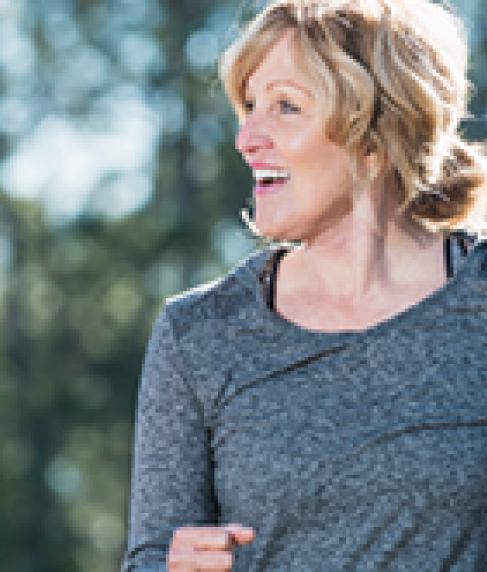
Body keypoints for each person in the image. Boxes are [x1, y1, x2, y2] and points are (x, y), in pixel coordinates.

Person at [123, 0, 487, 570]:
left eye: (285, 107)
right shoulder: (197, 336)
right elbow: (151, 556)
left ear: (376, 133)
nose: (246, 138)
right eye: (248, 107)